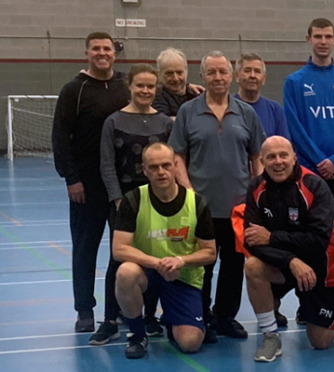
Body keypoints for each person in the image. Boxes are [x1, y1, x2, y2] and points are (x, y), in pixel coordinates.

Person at [169, 50, 266, 341]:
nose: (218, 77)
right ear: (202, 76)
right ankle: (202, 316)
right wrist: (189, 193)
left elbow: (257, 157)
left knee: (234, 267)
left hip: (238, 208)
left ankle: (225, 317)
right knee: (203, 266)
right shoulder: (188, 112)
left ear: (232, 75)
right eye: (211, 72)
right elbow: (177, 156)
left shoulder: (246, 113)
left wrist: (254, 190)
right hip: (202, 207)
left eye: (223, 72)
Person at [284, 18, 334, 318]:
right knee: (310, 237)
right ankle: (308, 300)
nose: (322, 41)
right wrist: (320, 161)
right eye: (317, 36)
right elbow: (295, 128)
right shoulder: (294, 82)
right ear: (308, 39)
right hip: (309, 175)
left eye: (328, 36)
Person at [52, 31, 131, 333]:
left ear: (114, 53)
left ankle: (120, 307)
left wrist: (189, 88)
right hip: (86, 185)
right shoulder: (75, 90)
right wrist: (71, 178)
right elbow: (60, 137)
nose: (102, 53)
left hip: (121, 186)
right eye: (96, 48)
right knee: (85, 249)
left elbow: (156, 96)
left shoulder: (125, 85)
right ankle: (84, 309)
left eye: (107, 49)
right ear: (87, 53)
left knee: (121, 250)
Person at [91, 64, 174, 345]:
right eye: (140, 85)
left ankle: (148, 317)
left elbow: (171, 165)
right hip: (124, 201)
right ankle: (111, 320)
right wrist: (118, 200)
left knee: (152, 257)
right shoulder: (113, 121)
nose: (145, 91)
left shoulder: (165, 123)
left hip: (157, 200)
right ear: (130, 87)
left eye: (150, 86)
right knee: (120, 261)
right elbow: (106, 164)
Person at [241, 136, 334, 362]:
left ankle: (314, 308)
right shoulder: (256, 188)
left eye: (283, 155)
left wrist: (272, 237)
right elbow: (251, 242)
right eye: (271, 157)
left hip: (320, 268)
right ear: (261, 161)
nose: (278, 162)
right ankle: (271, 336)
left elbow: (318, 241)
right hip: (285, 265)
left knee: (321, 342)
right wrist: (290, 261)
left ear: (294, 158)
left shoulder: (315, 186)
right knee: (253, 266)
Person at [112, 143, 217, 359]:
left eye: (166, 165)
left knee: (190, 344)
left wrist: (180, 261)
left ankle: (173, 320)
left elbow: (210, 253)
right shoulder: (133, 200)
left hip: (183, 276)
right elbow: (119, 249)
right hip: (148, 274)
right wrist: (158, 263)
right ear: (145, 170)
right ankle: (137, 334)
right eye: (154, 167)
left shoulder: (196, 203)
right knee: (125, 272)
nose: (161, 172)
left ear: (176, 166)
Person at [235, 52, 289, 140]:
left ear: (263, 79)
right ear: (236, 76)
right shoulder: (227, 107)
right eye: (247, 70)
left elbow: (283, 146)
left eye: (257, 71)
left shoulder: (275, 111)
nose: (252, 76)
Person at [152, 47, 200, 119]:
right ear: (159, 74)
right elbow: (163, 122)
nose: (175, 78)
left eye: (179, 73)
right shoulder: (156, 96)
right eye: (169, 73)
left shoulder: (197, 94)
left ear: (186, 72)